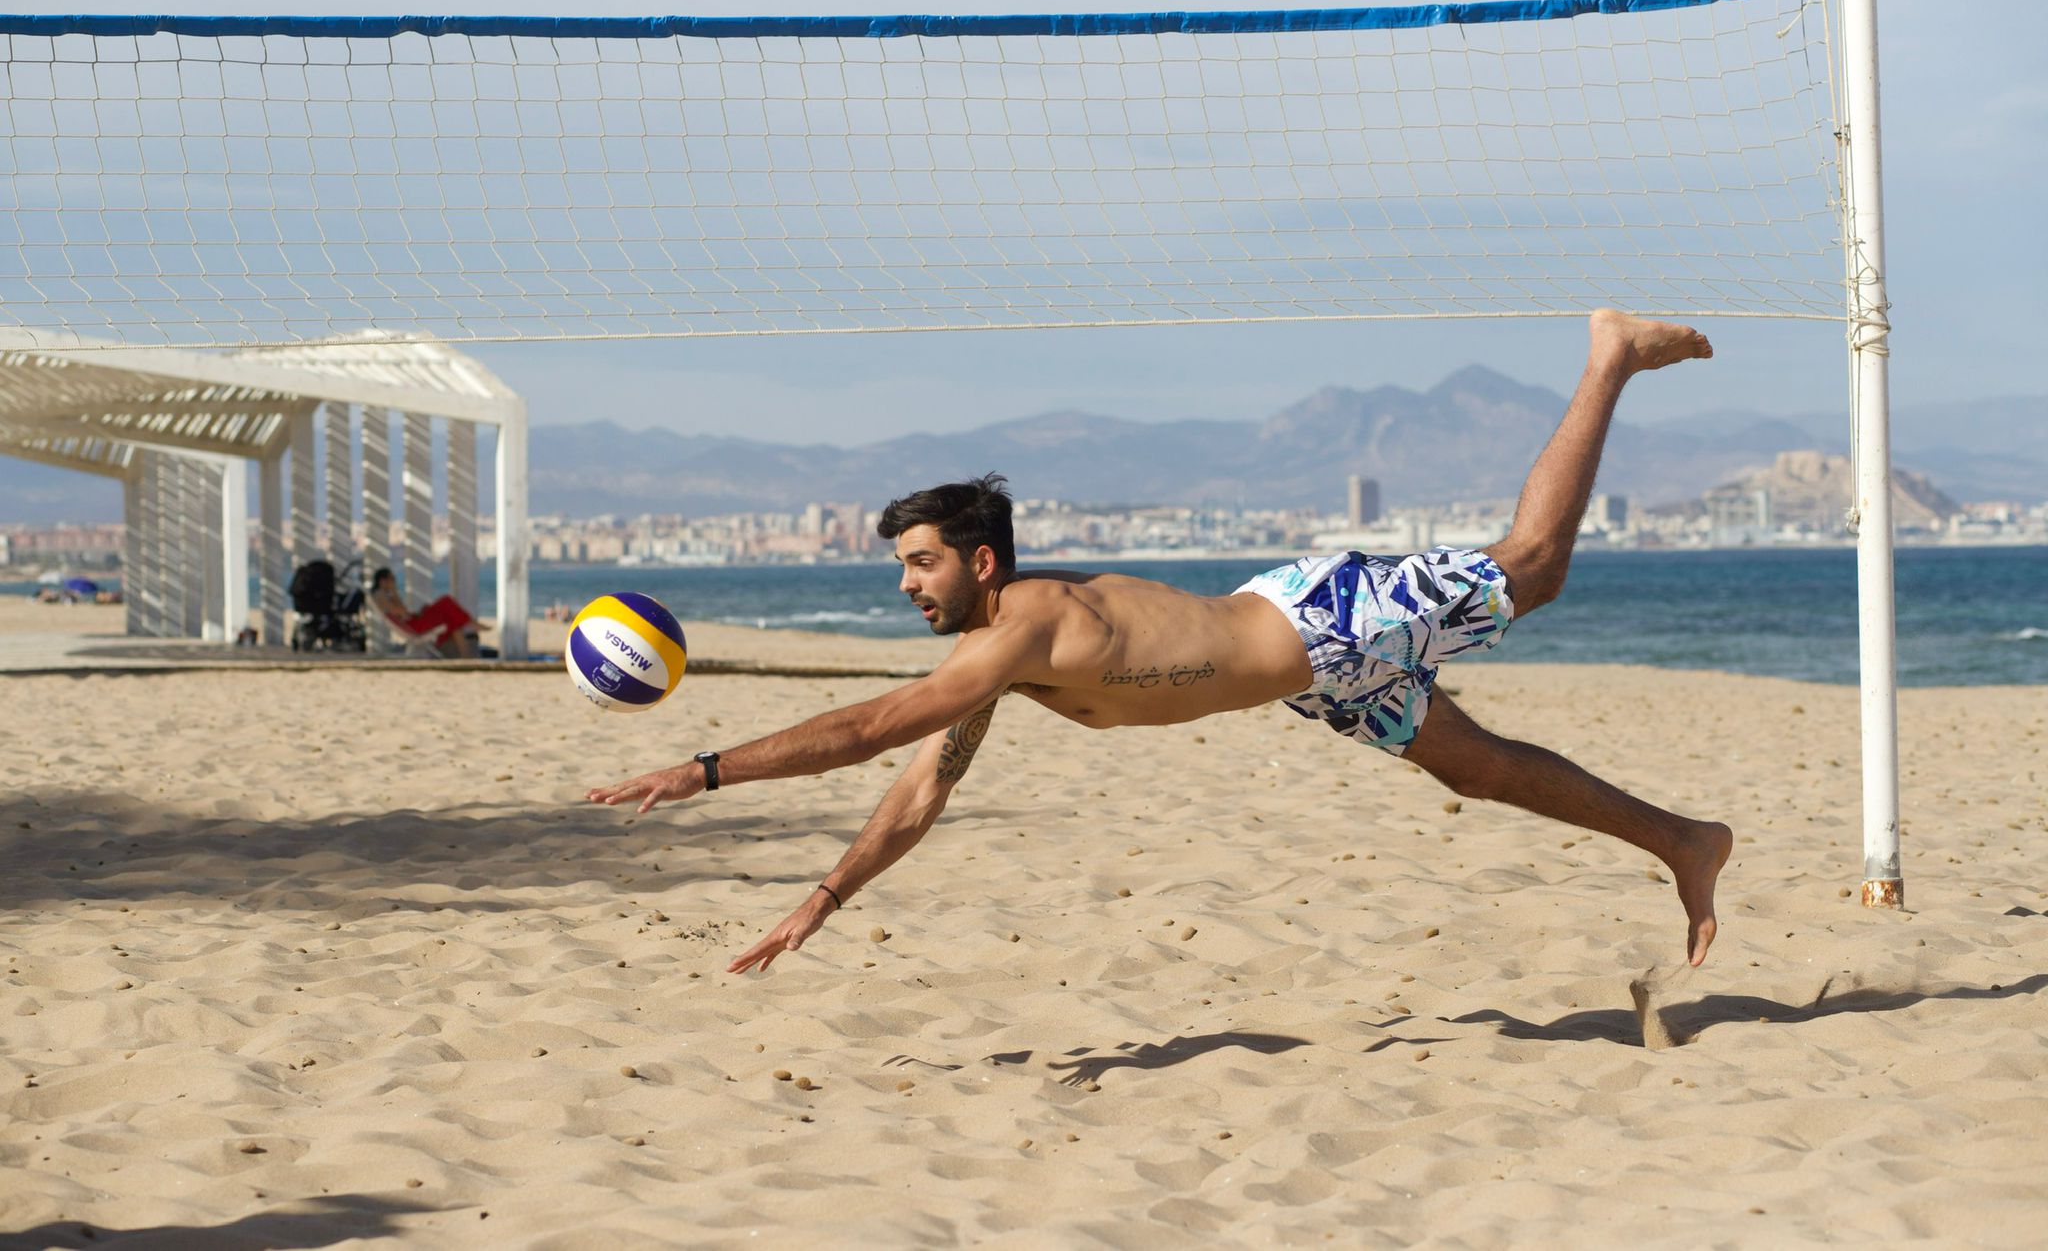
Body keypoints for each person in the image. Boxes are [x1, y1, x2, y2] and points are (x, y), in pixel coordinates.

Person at [587, 310, 1734, 976]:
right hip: (1309, 676)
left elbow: (867, 727)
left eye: (920, 561)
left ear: (981, 562)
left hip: (1315, 618)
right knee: (1473, 768)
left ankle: (1608, 354)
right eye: (898, 567)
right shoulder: (1002, 658)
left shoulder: (1020, 622)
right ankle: (1683, 839)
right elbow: (916, 787)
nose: (905, 584)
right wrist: (823, 899)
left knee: (1531, 569)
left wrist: (702, 771)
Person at [368, 567, 480, 658]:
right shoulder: (380, 595)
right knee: (446, 602)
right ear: (383, 581)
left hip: (413, 622)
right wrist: (394, 592)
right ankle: (469, 624)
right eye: (392, 579)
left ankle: (466, 648)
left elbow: (401, 612)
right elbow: (401, 611)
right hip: (415, 627)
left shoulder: (381, 595)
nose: (394, 582)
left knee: (447, 610)